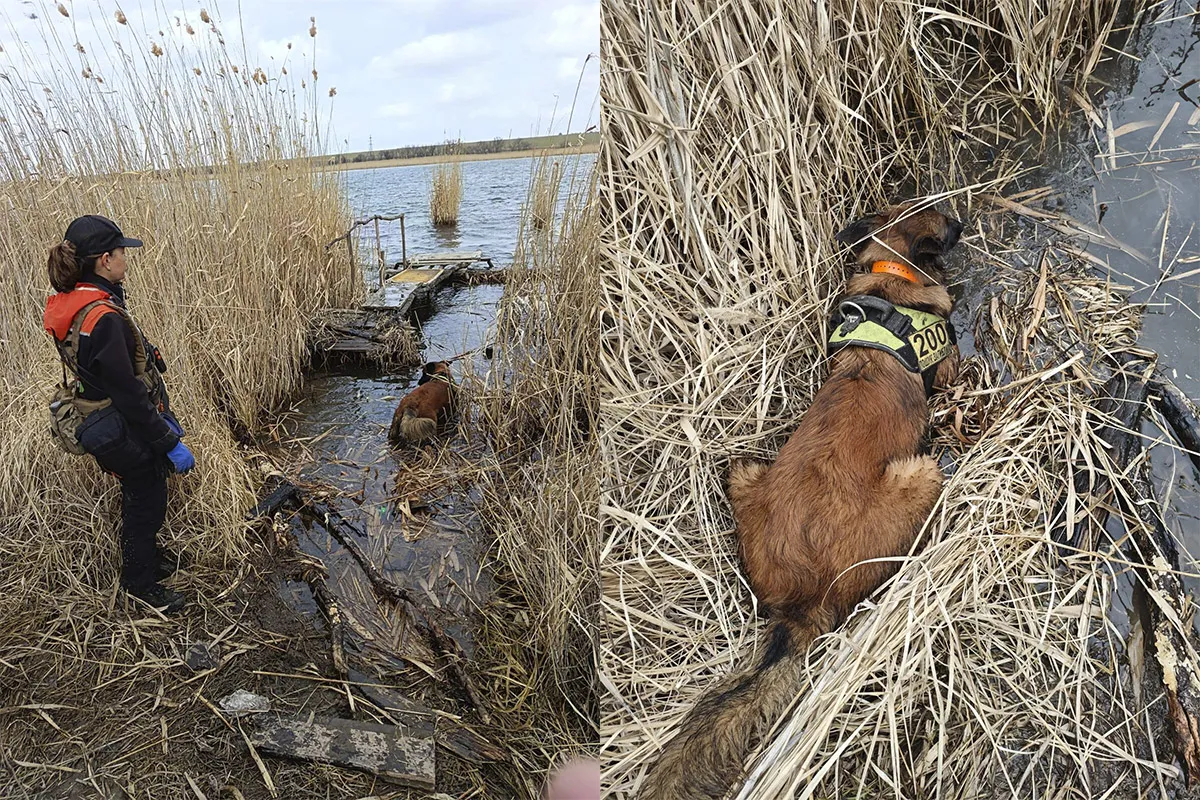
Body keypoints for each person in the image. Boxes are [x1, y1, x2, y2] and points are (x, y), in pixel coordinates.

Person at [42, 215, 196, 614]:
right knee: (146, 495)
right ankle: (140, 583)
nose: (127, 257)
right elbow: (127, 393)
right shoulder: (104, 318)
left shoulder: (81, 303)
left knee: (141, 492)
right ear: (105, 260)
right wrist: (167, 441)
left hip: (100, 417)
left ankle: (146, 560)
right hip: (116, 423)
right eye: (122, 251)